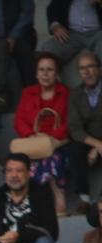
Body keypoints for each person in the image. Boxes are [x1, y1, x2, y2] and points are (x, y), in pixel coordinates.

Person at [14, 54, 71, 216]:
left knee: (51, 158)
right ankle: (26, 202)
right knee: (22, 161)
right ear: (36, 74)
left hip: (57, 143)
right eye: (42, 70)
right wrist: (32, 136)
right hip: (32, 141)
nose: (45, 74)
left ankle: (59, 196)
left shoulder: (65, 93)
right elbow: (19, 121)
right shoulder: (27, 93)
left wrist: (50, 138)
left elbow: (70, 122)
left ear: (57, 73)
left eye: (50, 70)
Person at [68, 51, 102, 212]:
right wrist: (96, 145)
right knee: (74, 148)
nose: (87, 72)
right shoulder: (75, 94)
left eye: (90, 66)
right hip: (89, 141)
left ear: (99, 69)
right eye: (82, 69)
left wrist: (98, 147)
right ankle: (84, 198)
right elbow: (75, 129)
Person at [40, 0, 102, 76]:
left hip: (98, 32)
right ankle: (52, 86)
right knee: (49, 49)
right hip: (72, 33)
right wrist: (55, 26)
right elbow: (52, 8)